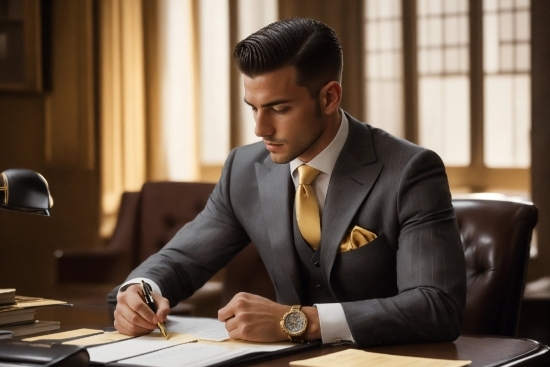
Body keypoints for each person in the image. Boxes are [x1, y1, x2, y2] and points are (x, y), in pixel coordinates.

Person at [110, 17, 466, 348]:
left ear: (329, 98)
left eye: (279, 109)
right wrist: (142, 288)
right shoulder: (243, 169)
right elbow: (182, 258)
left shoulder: (410, 171)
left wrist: (297, 322)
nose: (260, 129)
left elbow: (436, 306)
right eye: (254, 107)